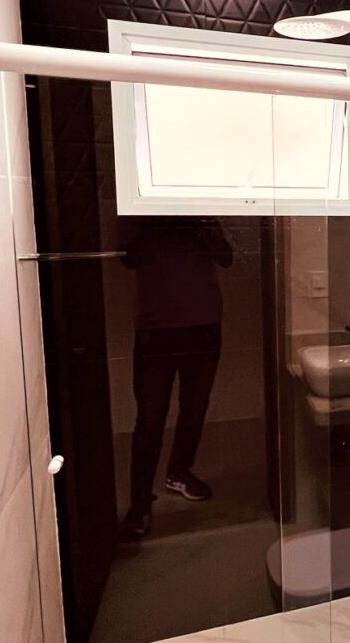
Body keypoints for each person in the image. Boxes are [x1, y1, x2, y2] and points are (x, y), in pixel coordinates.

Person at [117, 217, 234, 537]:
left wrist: (198, 223)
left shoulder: (201, 213)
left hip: (204, 325)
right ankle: (140, 504)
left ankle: (179, 472)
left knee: (195, 408)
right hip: (156, 329)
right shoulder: (139, 211)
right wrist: (160, 221)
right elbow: (128, 258)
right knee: (150, 417)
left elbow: (226, 257)